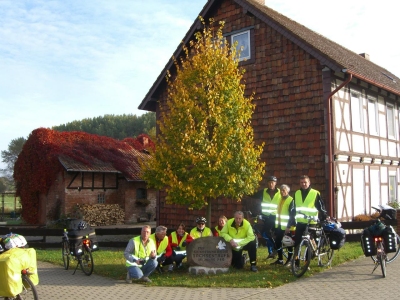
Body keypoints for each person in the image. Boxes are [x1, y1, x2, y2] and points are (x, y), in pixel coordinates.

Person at [293, 175, 328, 259]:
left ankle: (307, 261)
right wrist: (292, 220)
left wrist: (324, 216)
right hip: (300, 222)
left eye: (305, 182)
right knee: (297, 243)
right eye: (301, 182)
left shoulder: (315, 193)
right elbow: (293, 209)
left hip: (311, 222)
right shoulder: (296, 193)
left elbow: (321, 207)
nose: (303, 184)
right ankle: (296, 264)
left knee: (309, 243)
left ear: (309, 183)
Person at [251, 175, 280, 259]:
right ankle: (272, 251)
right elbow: (253, 195)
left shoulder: (279, 192)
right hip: (266, 217)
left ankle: (275, 249)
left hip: (275, 216)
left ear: (275, 183)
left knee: (267, 233)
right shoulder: (263, 192)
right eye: (269, 182)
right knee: (266, 234)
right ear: (267, 183)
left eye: (272, 183)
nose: (271, 184)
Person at [270, 184, 296, 266]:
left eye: (284, 190)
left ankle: (290, 259)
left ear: (287, 191)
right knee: (278, 242)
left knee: (289, 244)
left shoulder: (291, 200)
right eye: (281, 190)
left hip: (288, 227)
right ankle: (280, 259)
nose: (282, 192)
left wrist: (288, 226)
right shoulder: (279, 199)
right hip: (280, 226)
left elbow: (292, 215)